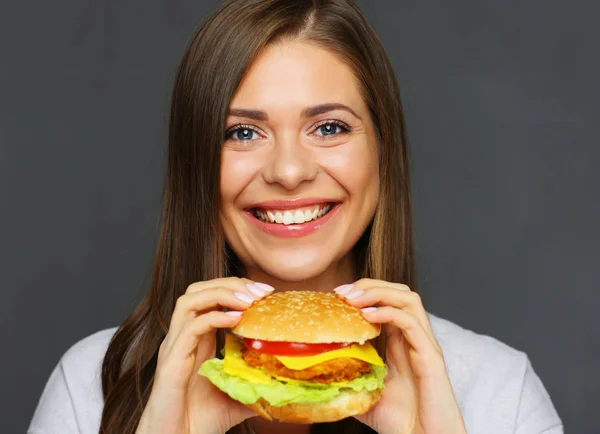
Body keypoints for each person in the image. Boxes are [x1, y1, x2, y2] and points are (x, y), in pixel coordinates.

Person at [28, 0, 563, 433]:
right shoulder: (92, 385)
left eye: (328, 127)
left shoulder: (498, 391)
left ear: (383, 150)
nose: (288, 171)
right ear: (197, 167)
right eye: (242, 132)